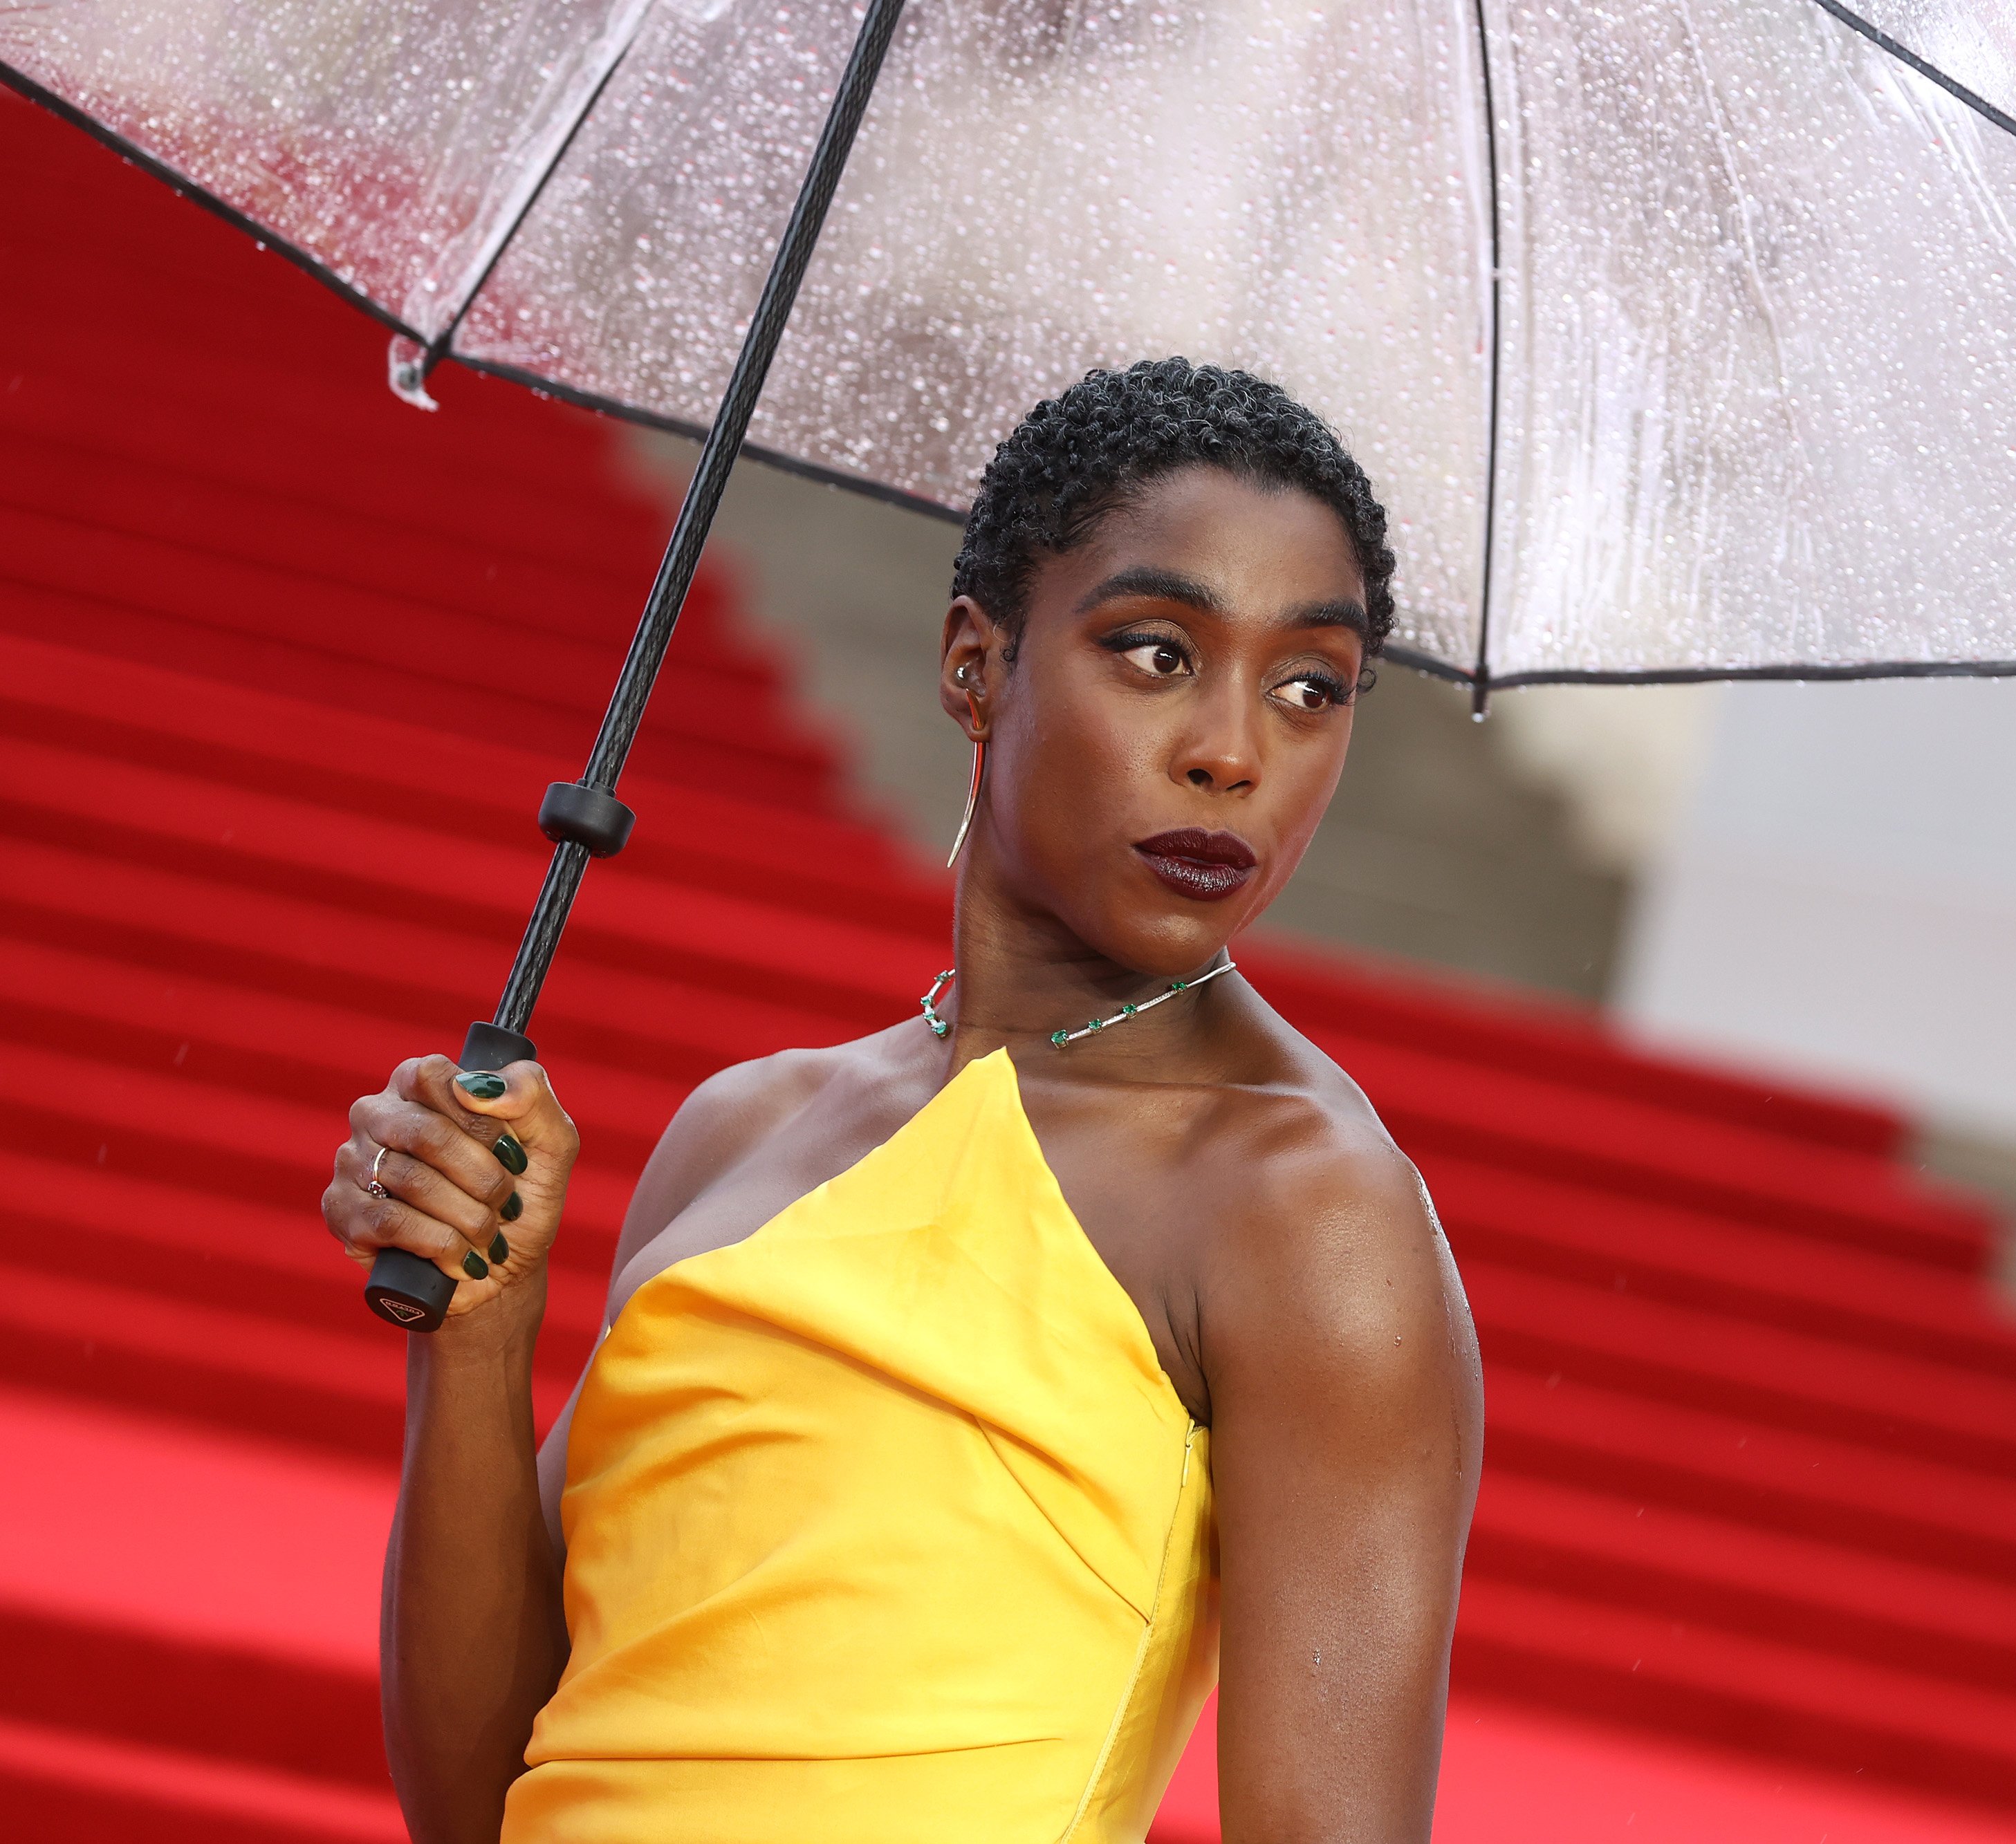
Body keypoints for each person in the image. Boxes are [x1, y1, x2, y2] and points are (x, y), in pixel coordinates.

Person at [322, 360, 1486, 1844]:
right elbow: (485, 1792)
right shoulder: (742, 1129)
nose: (1231, 751)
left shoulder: (1303, 1207)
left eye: (1308, 686)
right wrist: (481, 1338)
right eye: (1153, 651)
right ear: (972, 665)